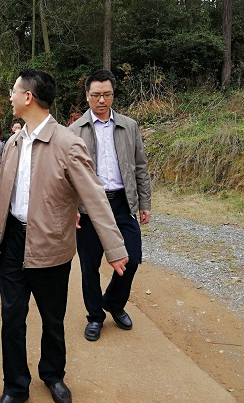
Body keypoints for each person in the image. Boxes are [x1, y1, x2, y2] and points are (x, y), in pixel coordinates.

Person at [0, 69, 128, 403]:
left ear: (28, 97)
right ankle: (15, 387)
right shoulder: (13, 143)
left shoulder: (67, 143)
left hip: (51, 246)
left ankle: (53, 374)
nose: (10, 96)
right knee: (12, 319)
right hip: (13, 243)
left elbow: (94, 197)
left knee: (52, 319)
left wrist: (115, 247)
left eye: (14, 90)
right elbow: (1, 195)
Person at [70, 69, 151, 341]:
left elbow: (140, 166)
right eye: (96, 95)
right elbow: (67, 175)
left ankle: (114, 302)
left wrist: (144, 202)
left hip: (121, 204)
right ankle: (95, 316)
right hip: (89, 208)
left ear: (113, 95)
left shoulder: (129, 126)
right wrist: (72, 208)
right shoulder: (74, 131)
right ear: (87, 96)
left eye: (106, 94)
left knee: (133, 257)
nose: (101, 100)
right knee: (89, 265)